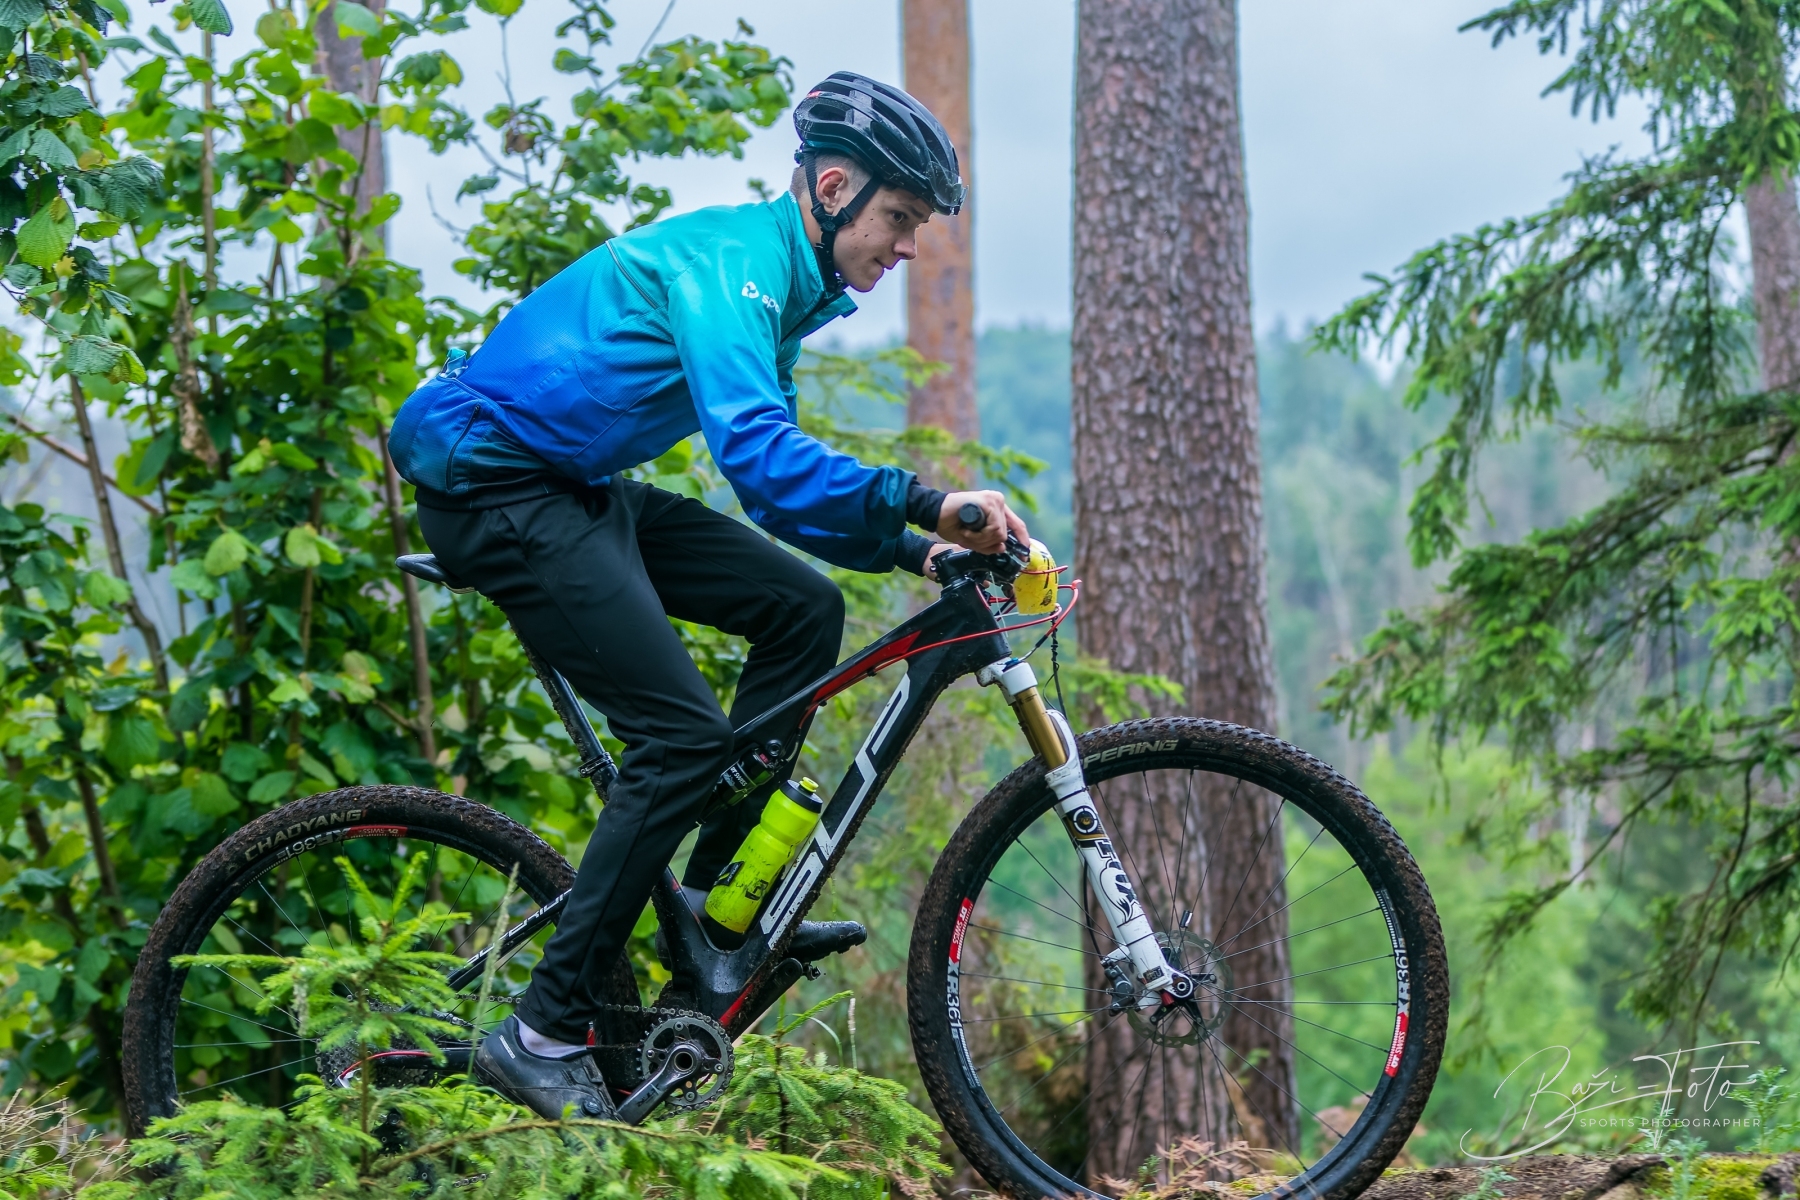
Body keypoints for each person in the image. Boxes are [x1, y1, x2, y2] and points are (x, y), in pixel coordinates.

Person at [387, 72, 1030, 1120]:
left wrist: (919, 551)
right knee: (680, 738)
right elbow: (761, 456)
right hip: (495, 485)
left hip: (569, 484)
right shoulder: (735, 267)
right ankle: (540, 1031)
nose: (910, 246)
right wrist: (926, 500)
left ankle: (710, 917)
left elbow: (777, 494)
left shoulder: (781, 283)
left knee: (801, 610)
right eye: (902, 218)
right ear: (834, 189)